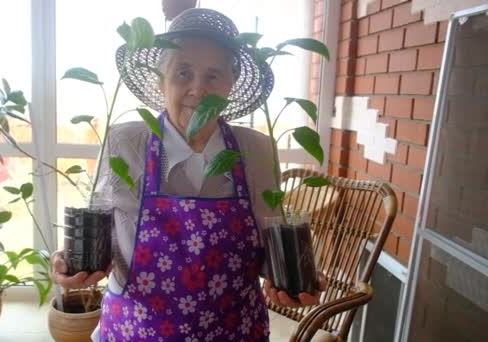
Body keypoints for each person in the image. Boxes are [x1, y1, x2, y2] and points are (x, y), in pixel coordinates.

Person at [52, 8, 326, 341]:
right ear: (160, 78)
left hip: (234, 331)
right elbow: (99, 241)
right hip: (137, 329)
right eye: (183, 72)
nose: (199, 89)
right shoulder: (124, 142)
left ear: (231, 83)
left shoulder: (257, 149)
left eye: (213, 75)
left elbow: (271, 251)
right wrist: (71, 264)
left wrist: (294, 281)